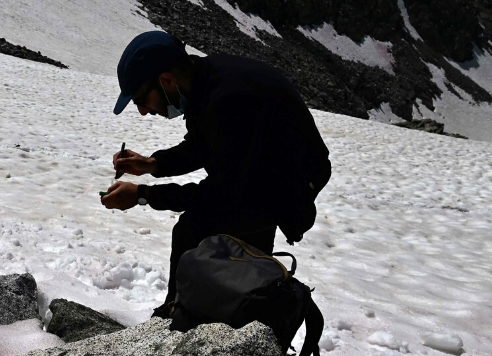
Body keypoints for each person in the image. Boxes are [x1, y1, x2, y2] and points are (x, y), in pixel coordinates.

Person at [101, 31, 330, 318]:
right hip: (262, 171)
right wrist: (153, 164)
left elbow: (220, 192)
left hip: (287, 183)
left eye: (141, 100)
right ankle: (201, 313)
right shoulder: (203, 81)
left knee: (201, 231)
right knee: (208, 234)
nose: (144, 111)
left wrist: (143, 195)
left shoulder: (229, 98)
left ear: (167, 81)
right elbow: (203, 145)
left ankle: (192, 316)